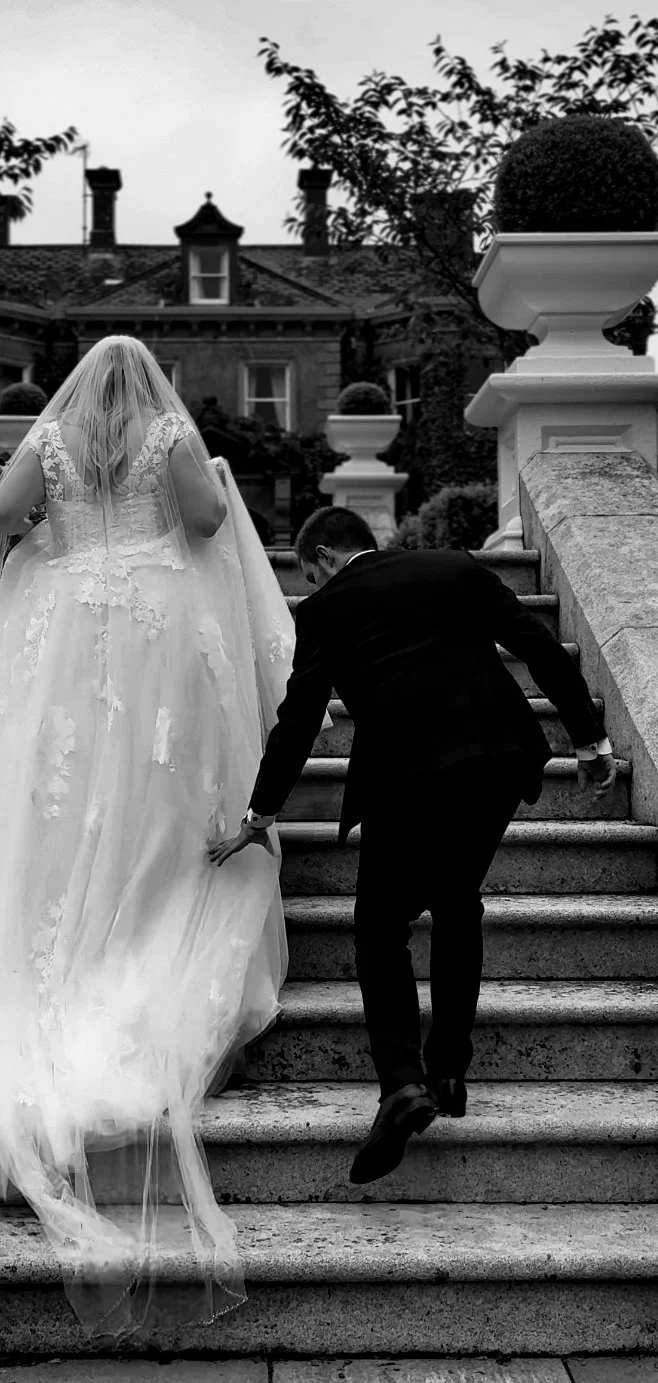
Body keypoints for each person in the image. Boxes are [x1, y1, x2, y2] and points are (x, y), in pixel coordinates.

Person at [0, 335, 327, 1341]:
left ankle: (63, 955)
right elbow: (205, 518)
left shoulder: (49, 440)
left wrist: (52, 549)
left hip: (64, 622)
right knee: (155, 789)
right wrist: (218, 482)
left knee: (61, 794)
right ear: (148, 385)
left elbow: (5, 517)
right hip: (156, 619)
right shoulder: (174, 432)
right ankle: (146, 939)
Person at [211, 505, 616, 1185]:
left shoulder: (325, 609)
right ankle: (449, 1070)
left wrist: (260, 811)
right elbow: (538, 644)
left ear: (322, 560)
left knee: (379, 925)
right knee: (458, 902)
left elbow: (299, 719)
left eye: (311, 574)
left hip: (404, 774)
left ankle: (402, 1084)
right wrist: (589, 739)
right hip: (497, 755)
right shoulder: (455, 566)